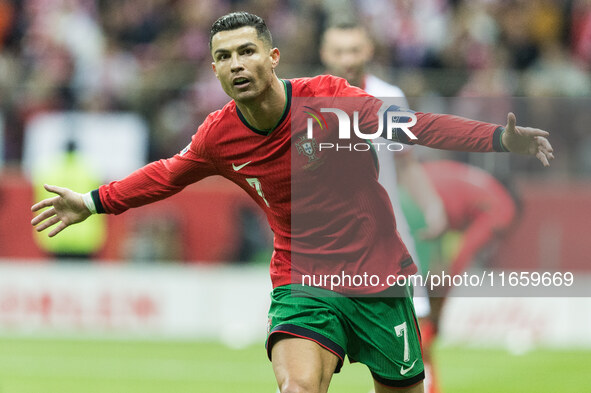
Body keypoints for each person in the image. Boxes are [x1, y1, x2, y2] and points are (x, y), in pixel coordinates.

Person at [31, 12, 553, 393]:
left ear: (272, 57)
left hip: (378, 278)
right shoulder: (218, 136)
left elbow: (416, 127)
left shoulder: (330, 102)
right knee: (299, 389)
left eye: (247, 51)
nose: (236, 64)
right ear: (213, 70)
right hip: (302, 282)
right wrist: (94, 201)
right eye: (223, 56)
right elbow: (167, 174)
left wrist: (498, 139)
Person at [320, 23, 448, 393]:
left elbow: (406, 163)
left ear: (368, 51)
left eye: (354, 50)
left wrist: (432, 205)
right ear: (325, 53)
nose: (347, 59)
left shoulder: (389, 97)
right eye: (339, 51)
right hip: (330, 251)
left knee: (418, 345)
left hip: (390, 244)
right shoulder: (307, 101)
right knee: (319, 349)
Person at [398, 160, 520, 393]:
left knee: (417, 313)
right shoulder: (504, 209)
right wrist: (443, 297)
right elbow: (464, 250)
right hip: (423, 206)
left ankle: (427, 384)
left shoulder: (484, 189)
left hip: (414, 194)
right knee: (421, 316)